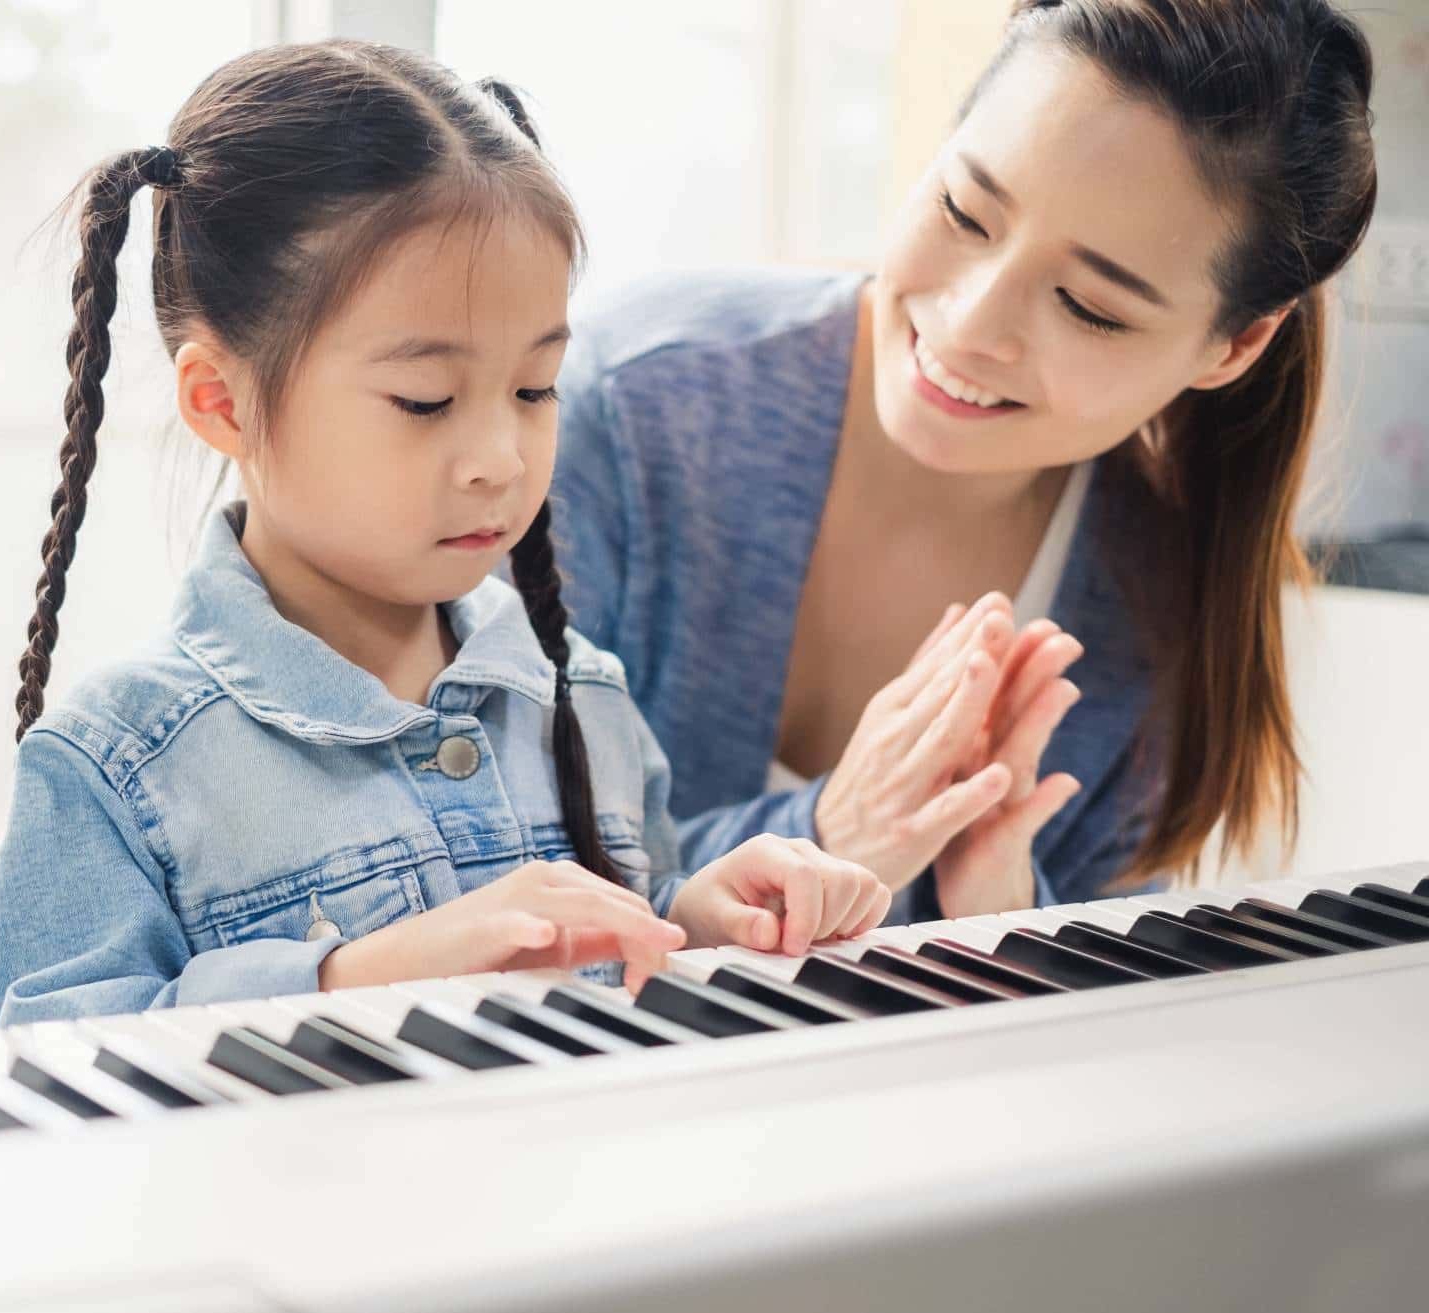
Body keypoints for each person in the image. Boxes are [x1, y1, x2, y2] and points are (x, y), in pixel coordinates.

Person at [0, 41, 888, 1025]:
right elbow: (46, 1070)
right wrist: (352, 979)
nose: (500, 457)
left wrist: (695, 920)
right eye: (426, 400)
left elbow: (619, 959)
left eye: (532, 388)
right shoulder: (114, 761)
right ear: (220, 399)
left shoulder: (584, 698)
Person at [552, 0, 1378, 922]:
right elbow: (457, 897)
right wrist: (832, 832)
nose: (971, 323)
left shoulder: (1159, 593)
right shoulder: (630, 409)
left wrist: (1003, 911)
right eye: (964, 211)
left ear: (1234, 345)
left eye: (1090, 305)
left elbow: (1079, 1025)